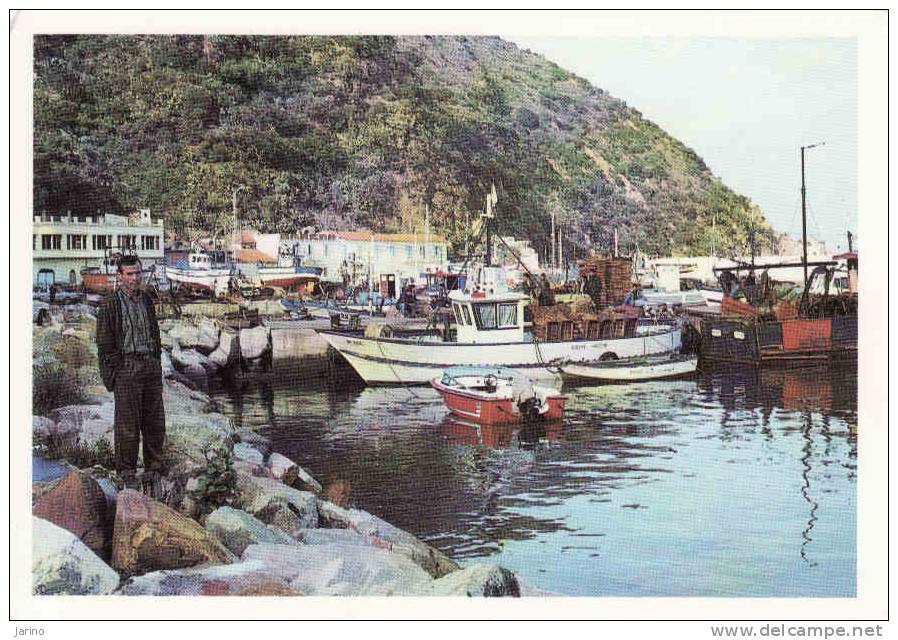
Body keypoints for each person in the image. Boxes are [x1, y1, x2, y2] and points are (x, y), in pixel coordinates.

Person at [96, 255, 165, 492]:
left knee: (155, 421)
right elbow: (104, 344)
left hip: (150, 366)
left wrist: (156, 360)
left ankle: (154, 468)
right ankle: (126, 473)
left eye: (138, 273)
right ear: (120, 276)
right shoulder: (110, 304)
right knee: (127, 424)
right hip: (127, 367)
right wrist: (114, 374)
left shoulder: (146, 299)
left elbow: (154, 332)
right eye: (129, 274)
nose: (135, 278)